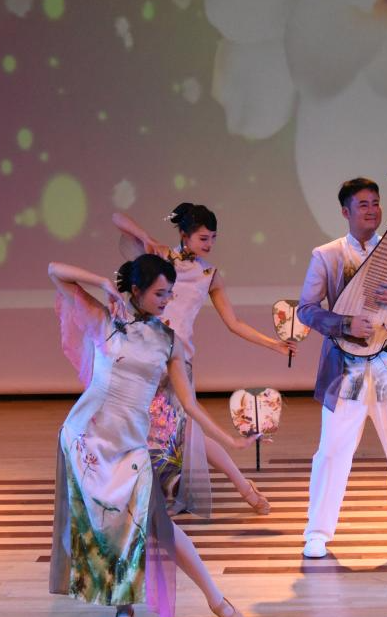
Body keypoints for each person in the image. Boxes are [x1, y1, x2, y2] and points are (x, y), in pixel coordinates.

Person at [48, 254, 250, 617]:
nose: (166, 300)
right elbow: (55, 271)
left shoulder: (167, 340)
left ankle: (218, 601)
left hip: (130, 445)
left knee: (161, 526)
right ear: (136, 290)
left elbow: (190, 404)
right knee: (109, 526)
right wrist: (102, 282)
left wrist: (231, 440)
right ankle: (122, 606)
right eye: (160, 293)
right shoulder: (104, 320)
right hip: (89, 440)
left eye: (170, 293)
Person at [114, 204, 296, 517]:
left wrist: (273, 344)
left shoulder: (209, 275)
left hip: (177, 361)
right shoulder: (161, 261)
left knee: (189, 434)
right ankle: (146, 491)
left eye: (213, 238)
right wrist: (147, 239)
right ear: (184, 235)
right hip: (145, 358)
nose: (209, 244)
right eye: (202, 238)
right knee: (143, 428)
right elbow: (117, 218)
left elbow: (234, 322)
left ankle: (242, 487)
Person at [296, 177, 387, 559]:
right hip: (346, 369)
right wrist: (344, 324)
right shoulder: (327, 255)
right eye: (363, 204)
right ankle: (317, 532)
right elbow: (306, 310)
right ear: (345, 211)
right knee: (332, 451)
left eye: (376, 203)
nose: (372, 210)